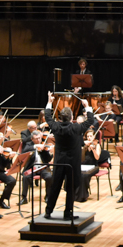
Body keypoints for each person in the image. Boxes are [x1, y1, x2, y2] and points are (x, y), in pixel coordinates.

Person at [44, 91, 96, 220]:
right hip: (72, 163)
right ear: (72, 116)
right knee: (71, 188)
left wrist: (50, 102)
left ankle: (48, 211)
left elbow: (48, 118)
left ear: (60, 118)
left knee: (55, 186)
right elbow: (91, 119)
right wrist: (87, 106)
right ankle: (68, 212)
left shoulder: (56, 127)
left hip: (60, 161)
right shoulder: (77, 128)